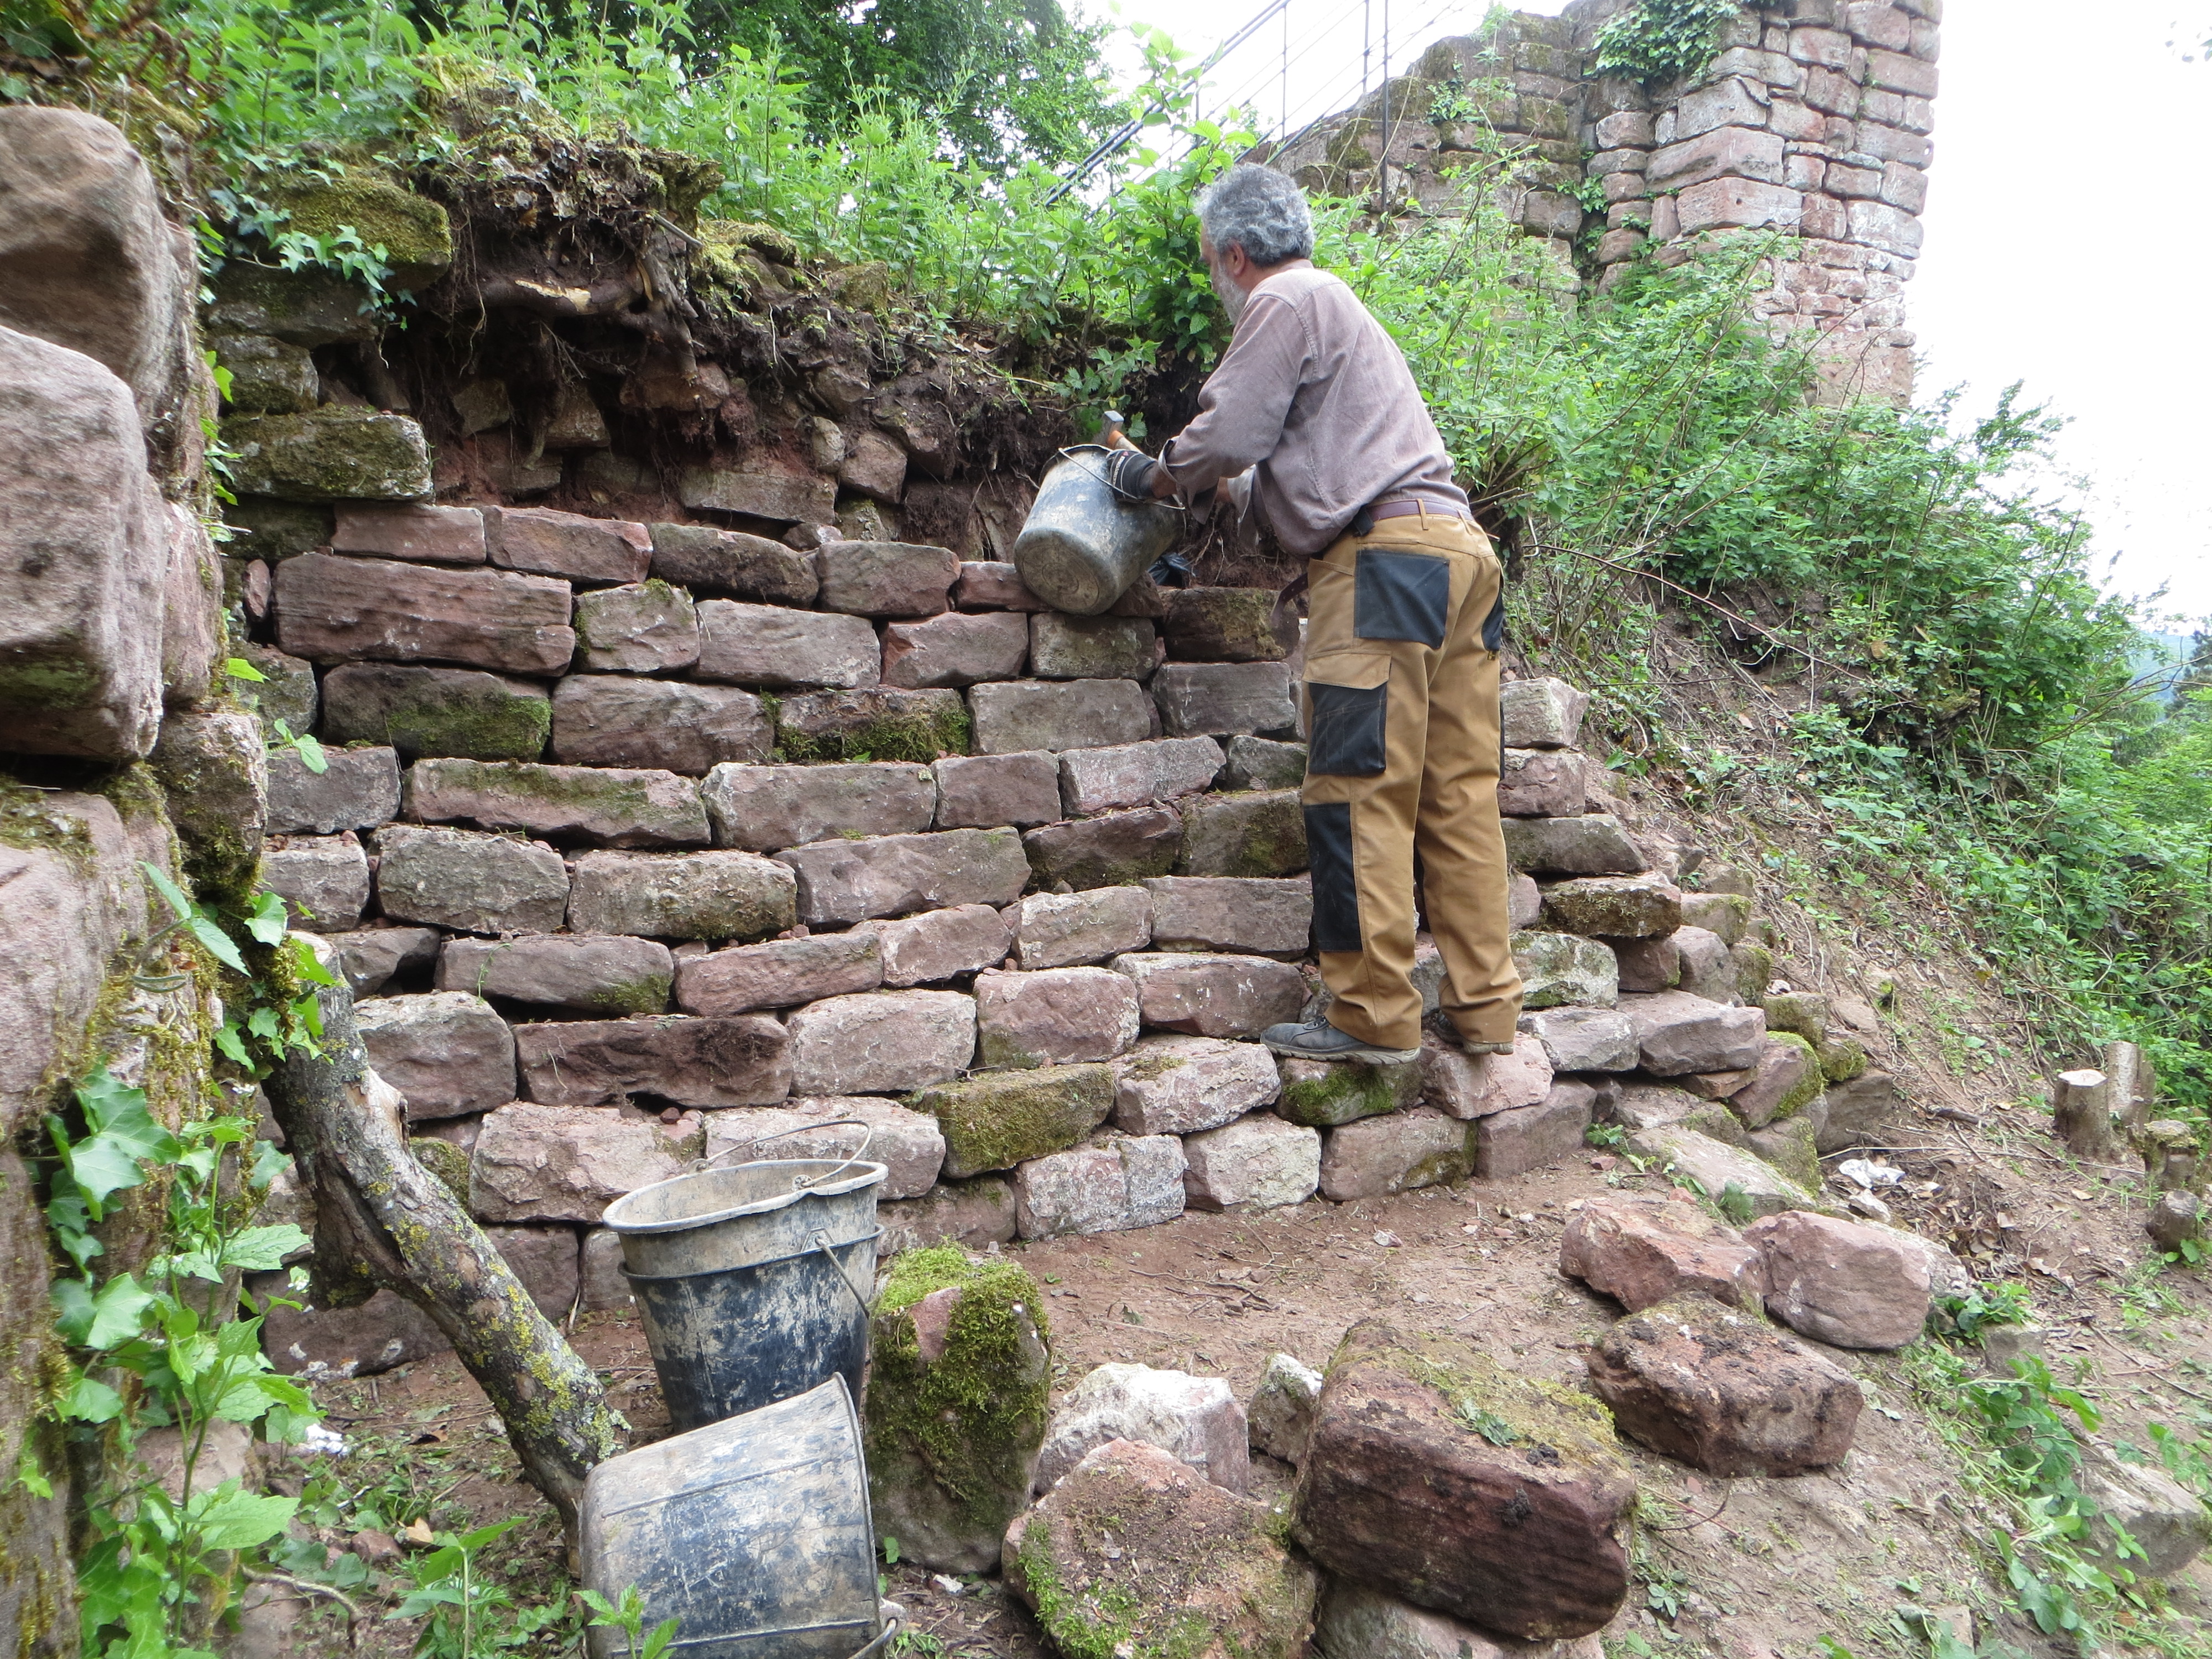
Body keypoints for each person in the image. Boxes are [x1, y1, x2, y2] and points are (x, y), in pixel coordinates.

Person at [1103, 162, 1521, 1065]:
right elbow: (1292, 463)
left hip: (1384, 571)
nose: (1217, 279)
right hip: (1458, 556)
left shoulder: (1284, 298)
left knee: (1357, 790)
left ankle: (1371, 1014)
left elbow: (1229, 435)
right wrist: (1232, 490)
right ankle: (1486, 1009)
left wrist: (1156, 474)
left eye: (1212, 263)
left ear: (1234, 254)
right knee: (1457, 796)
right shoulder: (1340, 311)